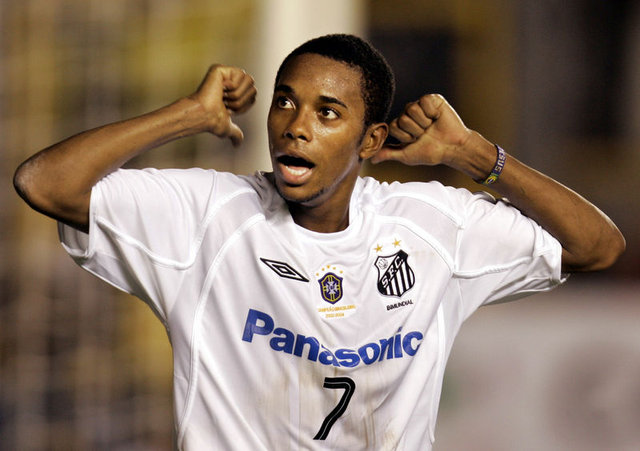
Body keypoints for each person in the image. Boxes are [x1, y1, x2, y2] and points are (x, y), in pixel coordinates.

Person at [14, 34, 624, 450]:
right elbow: (43, 183)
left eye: (328, 112)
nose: (297, 126)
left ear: (370, 140)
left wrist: (473, 154)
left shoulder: (430, 226)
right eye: (286, 102)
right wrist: (187, 115)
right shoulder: (210, 217)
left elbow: (597, 246)